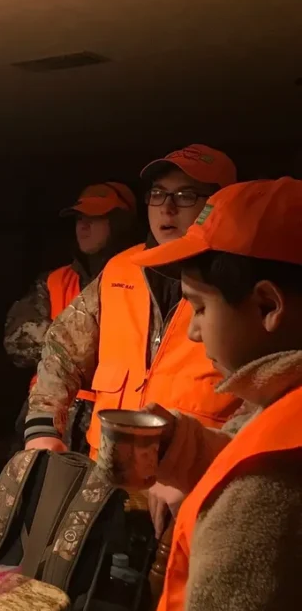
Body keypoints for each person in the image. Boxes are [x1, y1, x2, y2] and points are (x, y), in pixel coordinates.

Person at [111, 177, 302, 611]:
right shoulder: (281, 413)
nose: (193, 334)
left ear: (267, 305)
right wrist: (184, 447)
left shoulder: (263, 487)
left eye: (198, 308)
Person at [24, 145, 241, 534]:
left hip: (195, 491)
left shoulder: (239, 280)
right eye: (158, 194)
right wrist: (43, 428)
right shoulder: (121, 268)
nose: (167, 209)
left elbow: (272, 397)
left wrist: (200, 468)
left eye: (186, 195)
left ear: (220, 203)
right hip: (103, 476)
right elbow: (62, 348)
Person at [4, 182, 139, 452]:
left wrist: (61, 341)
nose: (83, 226)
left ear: (120, 223)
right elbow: (15, 341)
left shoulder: (144, 280)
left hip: (115, 423)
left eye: (95, 217)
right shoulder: (55, 281)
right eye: (79, 218)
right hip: (49, 419)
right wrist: (94, 350)